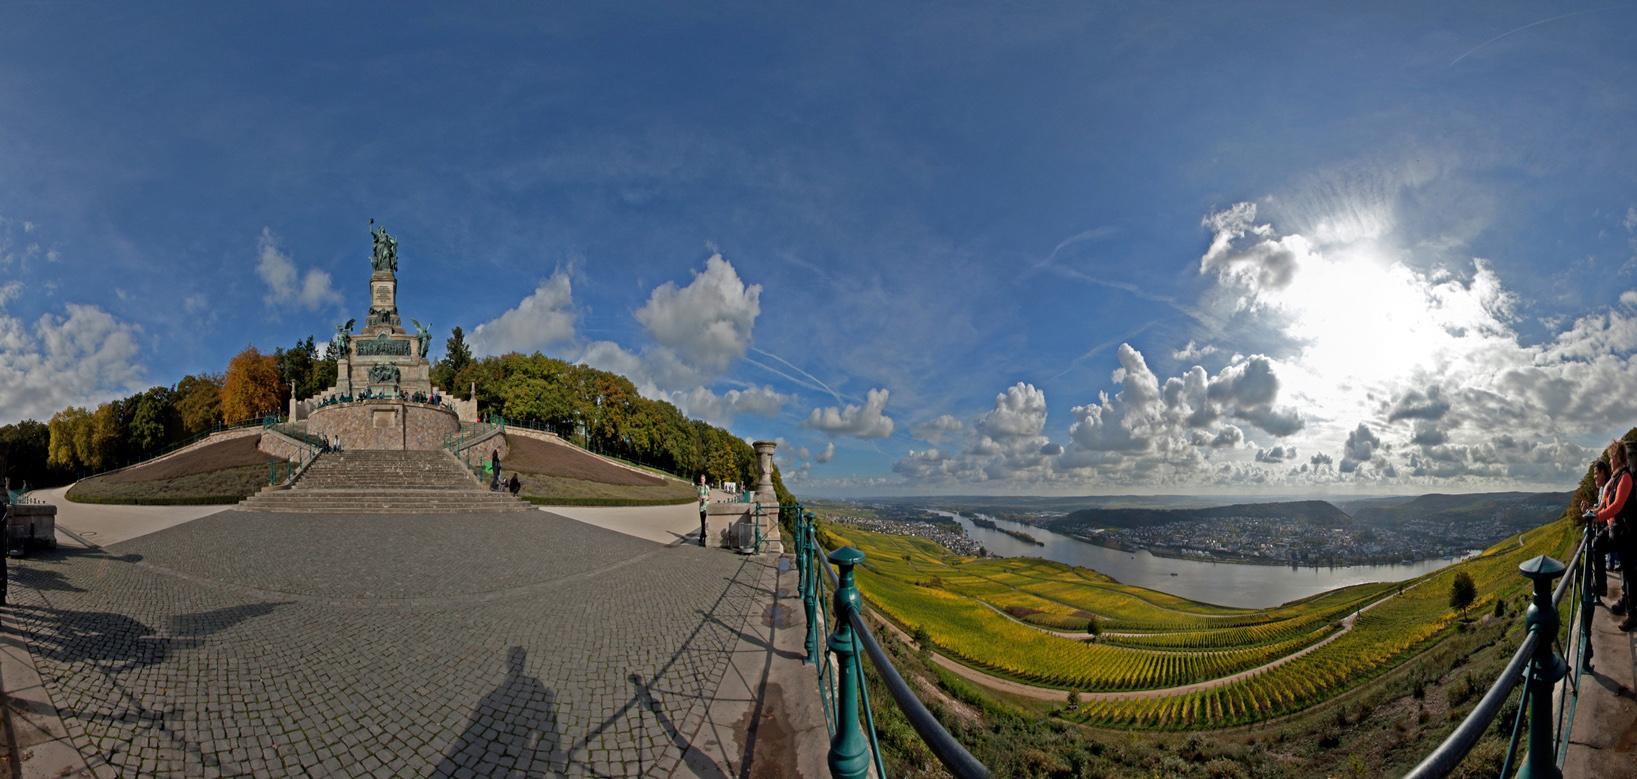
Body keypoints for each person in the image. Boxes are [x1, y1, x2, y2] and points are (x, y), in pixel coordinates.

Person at [1593, 440, 1637, 630]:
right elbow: (1606, 501)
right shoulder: (1616, 477)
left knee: (1629, 573)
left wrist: (1598, 517)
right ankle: (1602, 586)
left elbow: (1617, 505)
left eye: (1611, 459)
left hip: (1625, 532)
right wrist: (1596, 512)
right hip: (1616, 530)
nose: (1609, 462)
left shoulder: (1626, 478)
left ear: (1618, 458)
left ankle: (1632, 613)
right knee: (1597, 544)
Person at [1580, 460, 1613, 599]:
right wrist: (1589, 510)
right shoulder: (1603, 489)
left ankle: (1600, 587)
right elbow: (1600, 509)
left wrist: (1592, 515)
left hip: (1613, 527)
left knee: (1597, 545)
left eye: (1595, 473)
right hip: (1610, 526)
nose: (1594, 477)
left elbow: (1604, 511)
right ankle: (1599, 587)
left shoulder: (1608, 488)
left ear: (1602, 473)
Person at [697, 474, 710, 547]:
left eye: (703, 479)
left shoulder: (707, 487)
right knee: (702, 522)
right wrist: (700, 500)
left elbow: (710, 496)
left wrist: (706, 500)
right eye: (701, 479)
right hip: (701, 506)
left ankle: (702, 536)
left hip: (705, 506)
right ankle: (703, 535)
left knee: (703, 521)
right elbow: (698, 496)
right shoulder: (699, 488)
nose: (702, 481)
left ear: (705, 480)